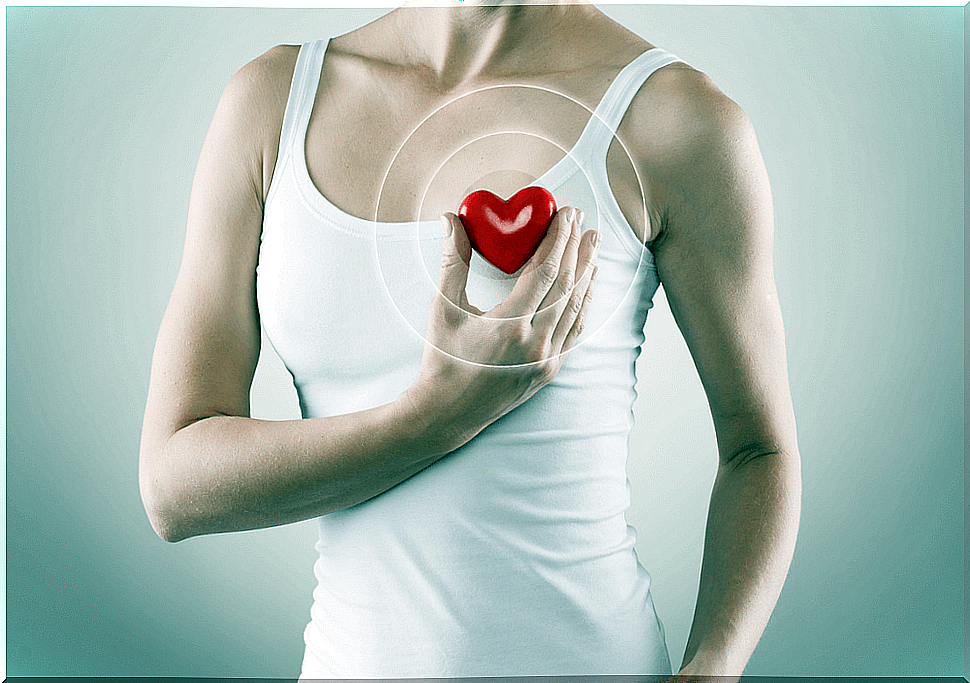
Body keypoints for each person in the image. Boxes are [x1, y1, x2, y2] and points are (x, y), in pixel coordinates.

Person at [138, 1, 801, 679]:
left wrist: (715, 663)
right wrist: (434, 416)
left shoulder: (674, 119)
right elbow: (171, 486)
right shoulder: (272, 103)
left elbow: (758, 446)